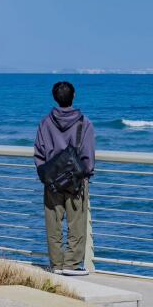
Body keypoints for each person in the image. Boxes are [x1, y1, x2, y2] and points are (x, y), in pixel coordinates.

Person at [34, 81, 95, 276]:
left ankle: (56, 264)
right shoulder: (84, 122)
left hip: (52, 180)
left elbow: (39, 153)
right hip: (76, 181)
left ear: (54, 97)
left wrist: (46, 175)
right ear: (74, 96)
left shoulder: (45, 122)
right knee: (76, 222)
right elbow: (88, 155)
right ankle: (72, 265)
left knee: (53, 222)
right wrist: (86, 174)